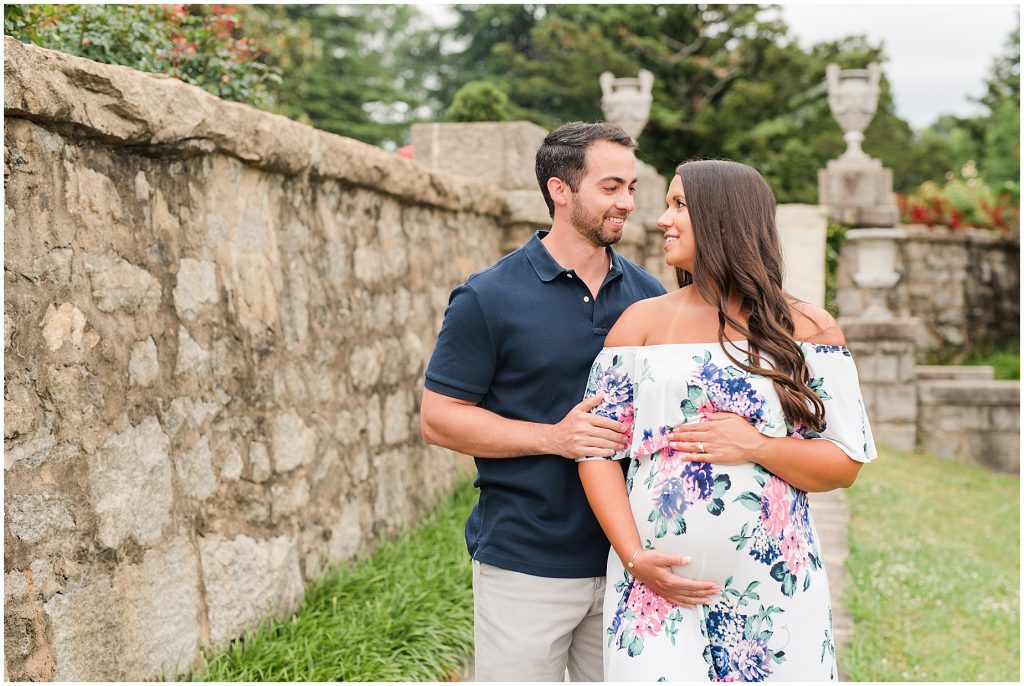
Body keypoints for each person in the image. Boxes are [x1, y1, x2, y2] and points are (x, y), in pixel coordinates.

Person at [578, 159, 877, 682]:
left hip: (773, 589)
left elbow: (844, 462)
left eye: (678, 206)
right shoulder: (639, 325)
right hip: (654, 592)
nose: (660, 219)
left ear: (723, 220)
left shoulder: (804, 327)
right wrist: (633, 557)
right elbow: (596, 450)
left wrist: (757, 446)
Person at [420, 121, 680, 681]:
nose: (628, 203)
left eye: (632, 188)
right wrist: (552, 438)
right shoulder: (487, 297)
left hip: (628, 562)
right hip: (524, 561)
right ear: (560, 190)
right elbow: (439, 420)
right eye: (611, 188)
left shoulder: (651, 297)